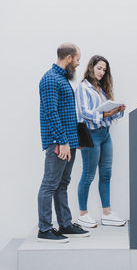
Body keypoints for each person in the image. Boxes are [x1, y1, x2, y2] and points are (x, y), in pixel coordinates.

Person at [37, 43, 90, 243]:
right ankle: (44, 229)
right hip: (58, 142)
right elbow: (52, 114)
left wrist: (76, 140)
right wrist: (63, 141)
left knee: (62, 184)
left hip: (68, 141)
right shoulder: (51, 79)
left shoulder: (62, 78)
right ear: (68, 57)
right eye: (77, 59)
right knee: (50, 185)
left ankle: (65, 225)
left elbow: (68, 113)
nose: (78, 64)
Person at [75, 55, 126, 228]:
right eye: (99, 68)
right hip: (91, 135)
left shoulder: (101, 89)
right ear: (91, 67)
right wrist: (105, 114)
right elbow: (84, 113)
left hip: (105, 135)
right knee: (88, 175)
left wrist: (118, 110)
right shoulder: (83, 87)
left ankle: (107, 213)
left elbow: (109, 115)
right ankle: (83, 214)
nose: (102, 72)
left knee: (106, 174)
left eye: (104, 70)